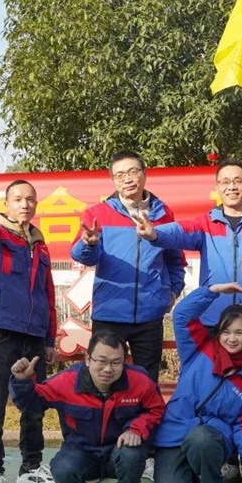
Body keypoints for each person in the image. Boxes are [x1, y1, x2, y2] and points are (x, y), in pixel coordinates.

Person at [8, 330, 166, 483]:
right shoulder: (66, 381)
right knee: (61, 467)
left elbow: (156, 409)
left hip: (119, 451)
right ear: (88, 359)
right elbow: (32, 404)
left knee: (132, 453)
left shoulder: (139, 381)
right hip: (82, 450)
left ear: (125, 362)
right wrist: (22, 381)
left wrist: (136, 429)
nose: (108, 369)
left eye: (116, 362)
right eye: (101, 361)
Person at [150, 283, 242, 483]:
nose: (231, 338)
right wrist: (212, 290)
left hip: (211, 439)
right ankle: (195, 479)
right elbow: (182, 315)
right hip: (173, 436)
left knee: (201, 438)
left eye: (239, 332)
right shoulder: (199, 349)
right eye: (226, 331)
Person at [0, 170, 59, 483]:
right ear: (6, 204)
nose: (25, 205)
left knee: (34, 407)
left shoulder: (40, 244)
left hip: (34, 336)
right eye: (18, 199)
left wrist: (49, 338)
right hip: (0, 331)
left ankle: (31, 468)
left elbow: (47, 293)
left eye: (31, 199)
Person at [71, 150, 186, 383]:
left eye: (133, 172)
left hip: (150, 315)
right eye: (120, 175)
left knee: (146, 381)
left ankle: (144, 410)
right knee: (104, 379)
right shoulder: (97, 213)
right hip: (109, 314)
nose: (127, 179)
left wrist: (172, 291)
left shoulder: (163, 214)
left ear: (144, 174)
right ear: (113, 180)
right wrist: (88, 244)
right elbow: (82, 256)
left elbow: (175, 259)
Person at [137, 159, 242, 327]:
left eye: (238, 181)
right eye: (225, 182)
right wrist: (155, 233)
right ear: (217, 187)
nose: (231, 187)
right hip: (214, 321)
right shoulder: (205, 223)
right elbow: (180, 231)